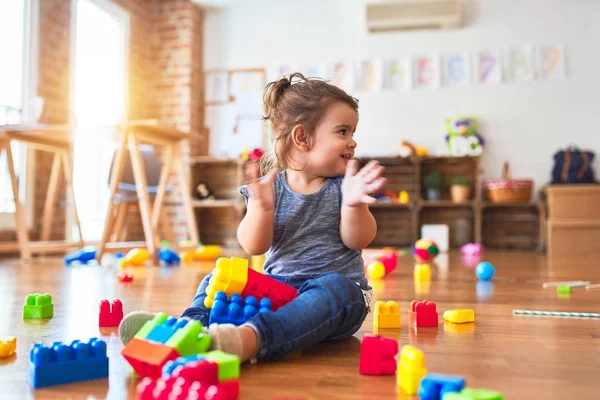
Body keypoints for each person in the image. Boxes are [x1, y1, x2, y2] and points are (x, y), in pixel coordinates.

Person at [119, 72, 387, 363]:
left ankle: (249, 339)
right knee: (215, 277)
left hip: (334, 304)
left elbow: (358, 239)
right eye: (342, 132)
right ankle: (190, 329)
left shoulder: (343, 187)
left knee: (340, 289)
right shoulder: (268, 190)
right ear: (302, 137)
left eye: (353, 132)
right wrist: (261, 210)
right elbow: (253, 246)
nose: (353, 142)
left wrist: (353, 205)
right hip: (278, 294)